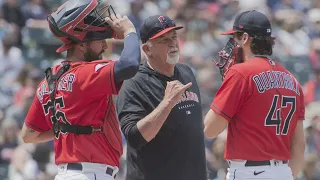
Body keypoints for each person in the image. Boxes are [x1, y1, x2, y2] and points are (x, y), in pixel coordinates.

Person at [21, 0, 141, 179]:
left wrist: (66, 129)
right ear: (81, 44)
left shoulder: (47, 82)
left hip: (66, 174)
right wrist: (130, 31)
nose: (105, 46)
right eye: (100, 40)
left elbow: (28, 134)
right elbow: (130, 64)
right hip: (90, 173)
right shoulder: (85, 73)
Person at [204, 10, 305, 180]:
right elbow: (299, 146)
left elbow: (209, 129)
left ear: (244, 38)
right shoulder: (292, 79)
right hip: (283, 172)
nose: (231, 43)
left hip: (248, 173)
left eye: (235, 37)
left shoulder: (240, 73)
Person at [116, 15, 207, 180]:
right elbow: (135, 138)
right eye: (164, 40)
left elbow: (193, 130)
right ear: (147, 50)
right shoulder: (134, 82)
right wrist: (167, 103)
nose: (172, 43)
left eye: (173, 37)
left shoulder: (186, 72)